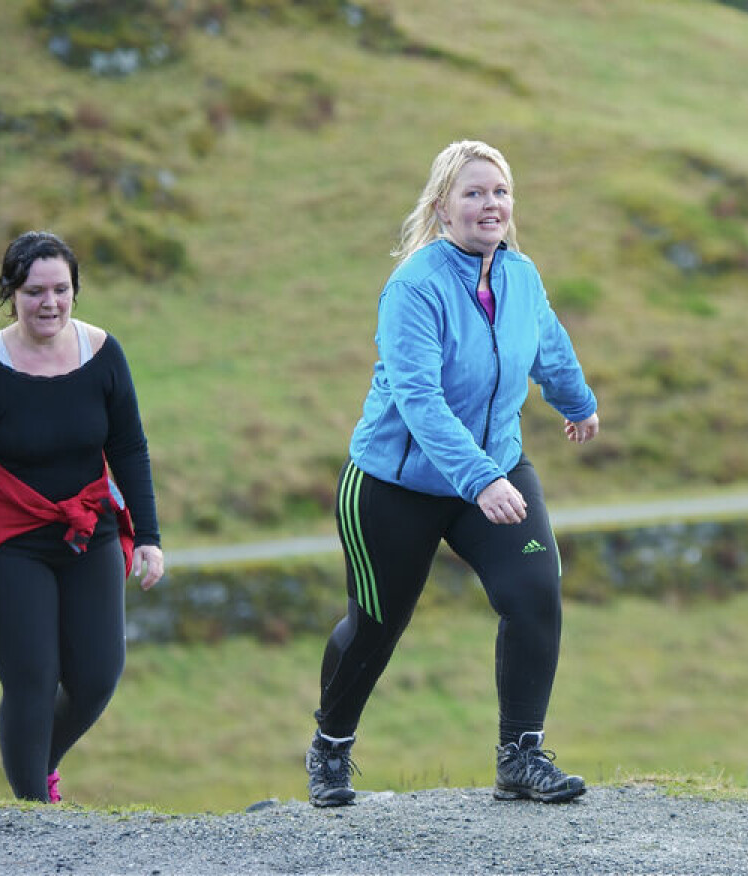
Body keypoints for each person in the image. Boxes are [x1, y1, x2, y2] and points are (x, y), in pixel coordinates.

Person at [305, 140, 599, 807]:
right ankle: (331, 746)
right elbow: (420, 400)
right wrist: (480, 480)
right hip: (395, 486)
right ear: (442, 208)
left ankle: (520, 756)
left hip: (494, 468)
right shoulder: (414, 287)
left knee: (535, 594)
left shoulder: (521, 275)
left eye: (500, 192)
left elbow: (548, 346)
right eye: (474, 193)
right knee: (377, 625)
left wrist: (578, 402)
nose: (490, 205)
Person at [0, 231, 164, 803]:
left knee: (96, 677)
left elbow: (129, 448)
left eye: (61, 289)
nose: (50, 303)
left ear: (75, 290)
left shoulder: (103, 355)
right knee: (33, 681)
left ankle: (38, 769)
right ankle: (34, 812)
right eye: (35, 291)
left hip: (87, 530)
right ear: (10, 293)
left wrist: (149, 536)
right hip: (9, 542)